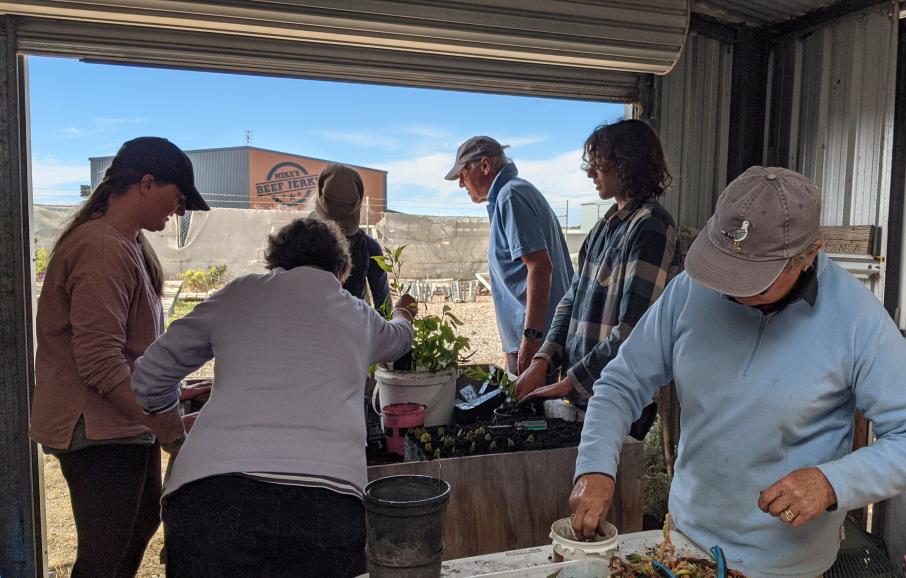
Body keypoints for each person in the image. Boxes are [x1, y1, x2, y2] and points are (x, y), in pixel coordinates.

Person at [567, 167, 906, 578]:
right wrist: (595, 466)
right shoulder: (691, 289)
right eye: (723, 268)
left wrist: (830, 482)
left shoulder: (858, 320)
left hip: (786, 566)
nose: (730, 290)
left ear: (809, 256)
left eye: (753, 281)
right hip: (683, 543)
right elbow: (622, 383)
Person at [131, 217, 417, 577]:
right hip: (327, 502)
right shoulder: (358, 314)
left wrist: (173, 433)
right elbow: (399, 339)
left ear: (275, 260)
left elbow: (149, 375)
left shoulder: (239, 293)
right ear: (342, 269)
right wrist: (404, 313)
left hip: (211, 493)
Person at [29, 136, 210, 577]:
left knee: (139, 526)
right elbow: (99, 362)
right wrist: (166, 426)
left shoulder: (124, 242)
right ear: (146, 183)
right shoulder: (102, 247)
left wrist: (175, 391)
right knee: (103, 555)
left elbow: (129, 349)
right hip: (97, 428)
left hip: (123, 422)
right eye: (179, 197)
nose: (181, 210)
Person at [515, 119, 683, 409]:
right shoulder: (601, 230)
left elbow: (634, 329)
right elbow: (569, 303)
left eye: (599, 164)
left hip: (619, 398)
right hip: (582, 393)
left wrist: (571, 381)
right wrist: (542, 361)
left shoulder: (651, 227)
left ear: (626, 164)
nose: (591, 172)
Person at [444, 136, 573, 374]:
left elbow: (540, 267)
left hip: (539, 343)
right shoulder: (517, 192)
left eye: (463, 173)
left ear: (484, 166)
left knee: (529, 411)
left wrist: (531, 340)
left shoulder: (510, 196)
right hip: (538, 339)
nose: (461, 184)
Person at [312, 162, 391, 310]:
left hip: (345, 328)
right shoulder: (297, 244)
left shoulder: (369, 249)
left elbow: (384, 306)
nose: (339, 234)